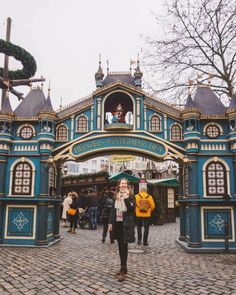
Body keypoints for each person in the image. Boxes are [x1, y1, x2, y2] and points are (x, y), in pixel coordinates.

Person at [108, 178, 135, 282]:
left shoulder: (131, 195)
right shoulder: (116, 195)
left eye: (125, 183)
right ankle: (124, 267)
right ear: (119, 185)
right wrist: (110, 223)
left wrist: (126, 198)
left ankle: (122, 269)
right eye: (121, 183)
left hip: (126, 224)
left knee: (124, 245)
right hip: (117, 223)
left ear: (127, 185)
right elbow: (112, 211)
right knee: (120, 246)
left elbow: (132, 208)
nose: (123, 185)